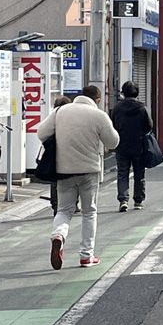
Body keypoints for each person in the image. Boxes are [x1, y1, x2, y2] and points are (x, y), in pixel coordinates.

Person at [39, 85, 119, 270]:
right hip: (88, 171)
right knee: (89, 211)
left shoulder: (61, 111)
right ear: (97, 99)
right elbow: (113, 142)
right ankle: (86, 256)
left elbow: (41, 133)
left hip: (63, 169)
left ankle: (58, 235)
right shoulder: (98, 115)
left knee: (64, 210)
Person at [110, 81, 153, 213]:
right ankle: (138, 200)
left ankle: (123, 200)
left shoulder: (117, 108)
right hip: (139, 145)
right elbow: (149, 126)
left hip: (121, 145)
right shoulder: (141, 108)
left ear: (123, 93)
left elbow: (111, 125)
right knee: (139, 173)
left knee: (122, 173)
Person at [48, 95, 73, 216]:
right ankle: (72, 203)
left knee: (55, 180)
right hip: (69, 152)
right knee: (70, 179)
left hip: (53, 153)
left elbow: (42, 133)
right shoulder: (71, 118)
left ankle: (55, 205)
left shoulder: (52, 117)